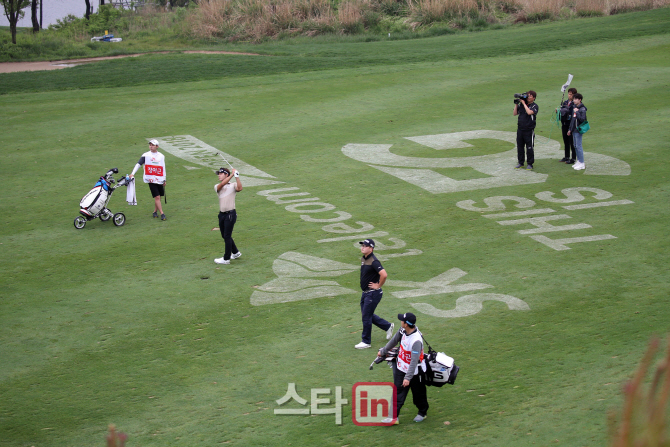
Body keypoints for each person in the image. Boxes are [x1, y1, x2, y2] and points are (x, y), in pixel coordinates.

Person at [378, 312, 429, 424]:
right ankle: (393, 417)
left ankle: (422, 412)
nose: (400, 321)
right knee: (397, 393)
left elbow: (414, 361)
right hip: (401, 368)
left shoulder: (416, 341)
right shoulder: (402, 331)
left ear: (406, 324)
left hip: (415, 372)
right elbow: (394, 341)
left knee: (418, 395)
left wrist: (408, 378)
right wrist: (383, 352)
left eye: (402, 320)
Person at [355, 239, 394, 349]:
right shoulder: (364, 258)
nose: (362, 247)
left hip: (372, 293)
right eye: (362, 245)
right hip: (366, 293)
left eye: (365, 246)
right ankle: (387, 326)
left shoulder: (374, 261)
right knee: (367, 315)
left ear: (371, 248)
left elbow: (384, 274)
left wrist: (378, 285)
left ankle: (366, 341)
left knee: (366, 317)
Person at [129, 139, 167, 220]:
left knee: (158, 197)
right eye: (150, 145)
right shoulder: (146, 155)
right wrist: (133, 173)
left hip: (159, 179)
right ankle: (162, 213)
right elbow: (138, 164)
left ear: (157, 146)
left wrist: (164, 179)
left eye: (153, 145)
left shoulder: (161, 156)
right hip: (151, 179)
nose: (151, 146)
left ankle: (154, 212)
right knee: (157, 197)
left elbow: (163, 168)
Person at [214, 167, 243, 265]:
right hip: (221, 214)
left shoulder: (233, 185)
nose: (219, 175)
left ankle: (226, 259)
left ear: (226, 174)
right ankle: (235, 252)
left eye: (221, 173)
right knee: (225, 235)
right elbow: (221, 185)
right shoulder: (217, 186)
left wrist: (237, 177)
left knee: (227, 236)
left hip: (230, 214)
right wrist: (232, 175)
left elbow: (240, 188)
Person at [513, 90, 539, 170]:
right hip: (520, 129)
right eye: (527, 95)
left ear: (534, 98)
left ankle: (530, 163)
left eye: (530, 96)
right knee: (520, 147)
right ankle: (520, 162)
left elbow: (529, 112)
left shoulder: (534, 106)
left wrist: (524, 104)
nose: (528, 97)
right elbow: (514, 113)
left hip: (529, 130)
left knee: (529, 147)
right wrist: (517, 104)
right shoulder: (522, 105)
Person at [567, 93, 588, 171]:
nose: (574, 100)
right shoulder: (575, 107)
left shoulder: (582, 109)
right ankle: (579, 161)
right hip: (574, 130)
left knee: (578, 146)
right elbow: (573, 120)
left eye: (576, 99)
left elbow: (583, 120)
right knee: (575, 145)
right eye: (574, 99)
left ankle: (582, 163)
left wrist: (577, 112)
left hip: (579, 129)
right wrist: (570, 129)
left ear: (580, 100)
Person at [559, 87, 577, 164]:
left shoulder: (575, 104)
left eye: (572, 94)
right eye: (569, 94)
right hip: (564, 124)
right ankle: (566, 156)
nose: (570, 96)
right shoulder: (565, 102)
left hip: (571, 125)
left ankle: (573, 158)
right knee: (566, 141)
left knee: (572, 142)